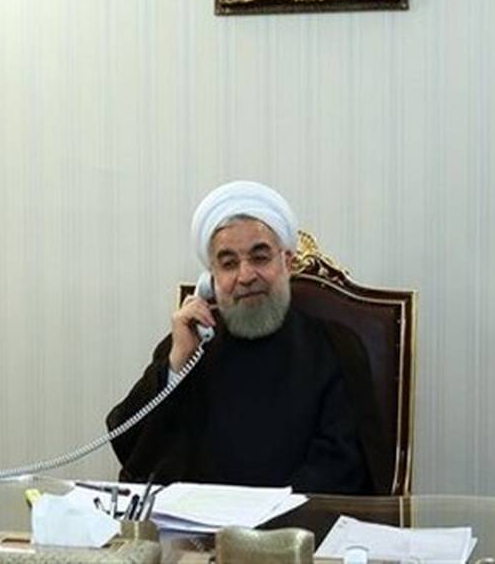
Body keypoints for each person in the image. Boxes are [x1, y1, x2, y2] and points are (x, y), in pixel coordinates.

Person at [106, 181, 373, 493]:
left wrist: (270, 513)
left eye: (260, 258)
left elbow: (342, 466)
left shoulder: (335, 346)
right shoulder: (189, 346)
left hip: (295, 520)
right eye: (229, 263)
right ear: (212, 279)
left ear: (287, 263)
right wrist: (175, 366)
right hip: (199, 522)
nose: (245, 276)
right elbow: (132, 448)